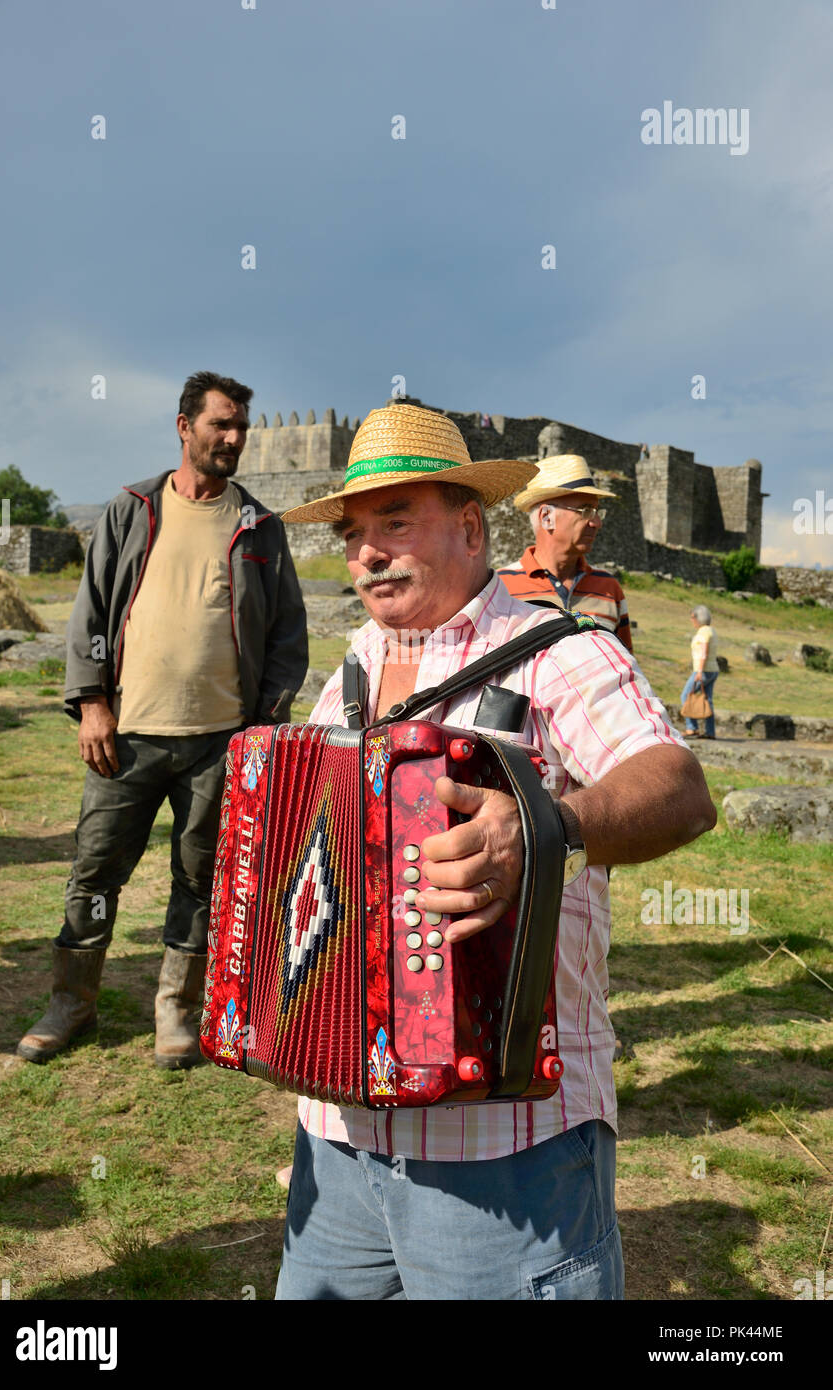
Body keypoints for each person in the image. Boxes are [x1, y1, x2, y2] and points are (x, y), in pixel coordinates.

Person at [276, 403, 716, 1301]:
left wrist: (547, 823)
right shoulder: (351, 668)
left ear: (472, 527)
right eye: (354, 531)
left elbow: (680, 790)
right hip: (336, 1130)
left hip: (503, 1148)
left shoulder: (557, 655)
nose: (366, 551)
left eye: (395, 521)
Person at [17, 371, 308, 1069]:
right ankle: (71, 1003)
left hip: (218, 743)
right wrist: (91, 701)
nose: (233, 439)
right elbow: (90, 615)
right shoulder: (130, 510)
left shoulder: (259, 526)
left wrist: (259, 724)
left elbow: (288, 637)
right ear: (185, 428)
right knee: (94, 874)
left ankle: (175, 1013)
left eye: (240, 427)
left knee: (200, 880)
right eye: (220, 425)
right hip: (128, 736)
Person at [497, 455, 633, 651]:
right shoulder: (500, 586)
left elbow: (624, 668)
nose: (597, 523)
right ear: (547, 517)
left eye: (597, 512)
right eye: (586, 511)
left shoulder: (609, 588)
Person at [682, 604, 718, 740]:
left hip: (703, 670)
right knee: (708, 700)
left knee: (686, 695)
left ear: (698, 618)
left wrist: (699, 672)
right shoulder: (712, 630)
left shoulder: (703, 632)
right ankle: (710, 731)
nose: (691, 620)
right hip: (713, 669)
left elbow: (704, 652)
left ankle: (691, 728)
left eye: (692, 617)